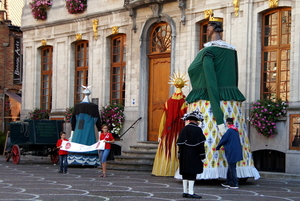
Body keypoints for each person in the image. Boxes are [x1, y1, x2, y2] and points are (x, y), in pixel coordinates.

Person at [175, 16, 260, 180]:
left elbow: (209, 81)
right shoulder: (231, 51)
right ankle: (239, 171)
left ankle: (209, 170)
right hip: (231, 103)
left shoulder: (208, 51)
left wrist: (219, 117)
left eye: (208, 27)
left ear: (214, 28)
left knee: (209, 136)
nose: (206, 30)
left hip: (208, 101)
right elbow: (234, 77)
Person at [152, 73, 187, 176]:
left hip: (168, 129)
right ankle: (176, 169)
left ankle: (164, 169)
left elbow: (164, 118)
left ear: (174, 85)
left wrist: (160, 133)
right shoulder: (184, 101)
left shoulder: (168, 101)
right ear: (183, 85)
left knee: (167, 148)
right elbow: (184, 117)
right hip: (180, 129)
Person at [177, 109, 206, 199]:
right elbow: (201, 144)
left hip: (184, 155)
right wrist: (202, 156)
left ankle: (185, 191)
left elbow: (180, 144)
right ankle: (191, 192)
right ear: (196, 121)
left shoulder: (183, 129)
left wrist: (179, 154)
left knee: (184, 173)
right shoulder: (197, 130)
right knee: (192, 173)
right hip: (194, 155)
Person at [216, 118, 242, 189]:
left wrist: (218, 146)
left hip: (231, 151)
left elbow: (224, 139)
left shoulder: (229, 131)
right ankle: (229, 182)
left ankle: (235, 183)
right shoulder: (235, 130)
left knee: (232, 167)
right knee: (231, 166)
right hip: (236, 150)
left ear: (227, 123)